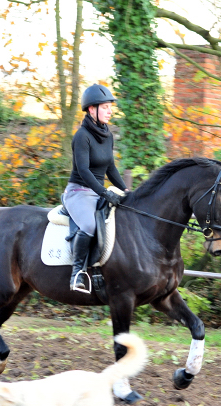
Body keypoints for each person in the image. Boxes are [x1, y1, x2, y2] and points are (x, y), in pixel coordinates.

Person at [64, 84, 128, 292]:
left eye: (111, 107)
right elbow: (83, 170)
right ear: (92, 109)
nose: (110, 111)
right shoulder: (81, 136)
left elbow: (110, 168)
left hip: (97, 191)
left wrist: (126, 191)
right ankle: (77, 274)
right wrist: (105, 192)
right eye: (106, 107)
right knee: (90, 226)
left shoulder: (107, 135)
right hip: (79, 192)